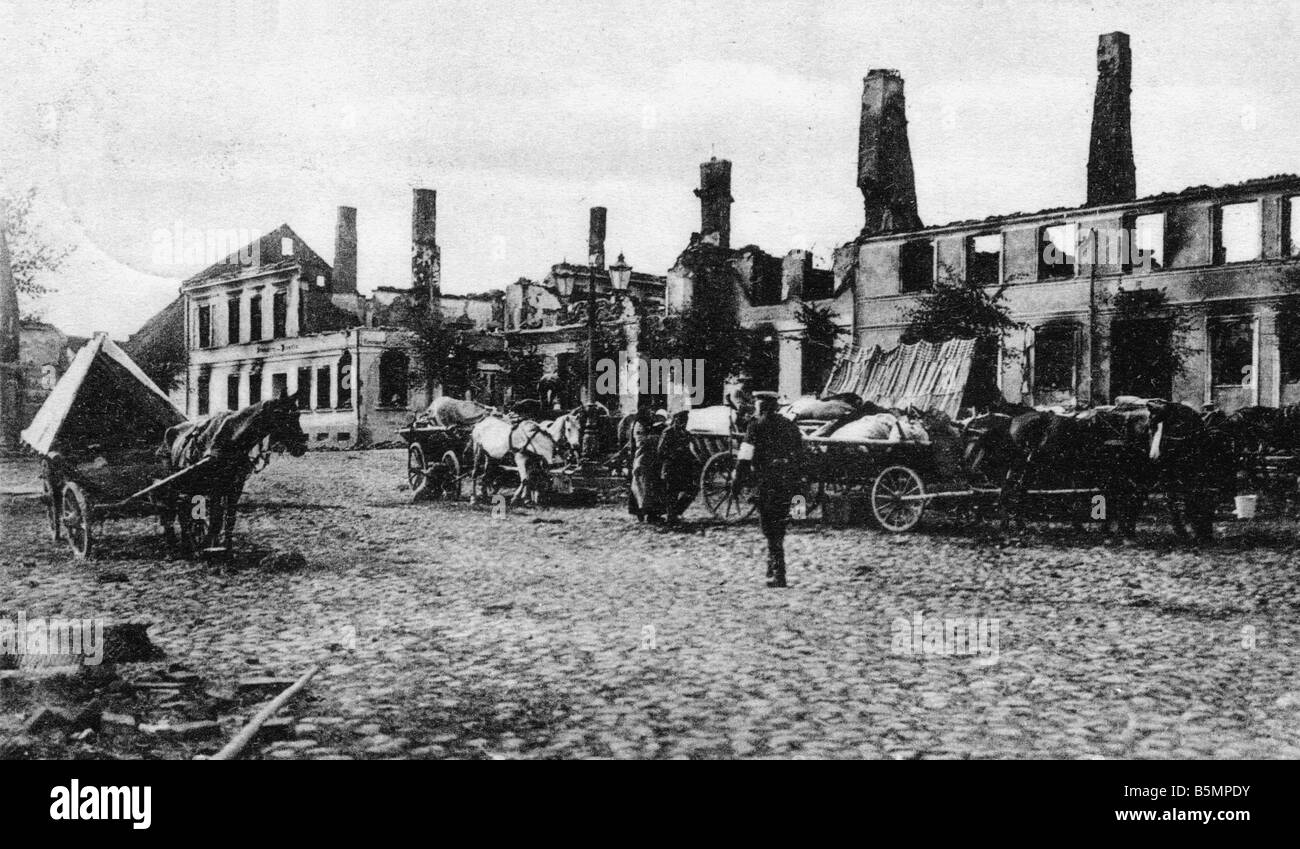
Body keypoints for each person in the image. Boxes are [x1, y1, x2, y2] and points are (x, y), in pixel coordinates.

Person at [733, 392, 803, 587]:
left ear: (761, 407)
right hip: (789, 482)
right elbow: (801, 455)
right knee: (779, 528)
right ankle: (771, 568)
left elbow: (745, 456)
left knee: (769, 529)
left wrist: (737, 482)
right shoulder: (790, 425)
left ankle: (778, 573)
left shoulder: (755, 426)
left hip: (766, 482)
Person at [657, 409, 699, 524]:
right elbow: (660, 451)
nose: (684, 423)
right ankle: (671, 516)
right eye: (681, 420)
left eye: (685, 420)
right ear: (675, 420)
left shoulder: (686, 434)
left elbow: (691, 450)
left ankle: (676, 512)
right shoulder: (668, 432)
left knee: (693, 489)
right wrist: (676, 452)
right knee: (671, 493)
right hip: (670, 468)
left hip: (683, 469)